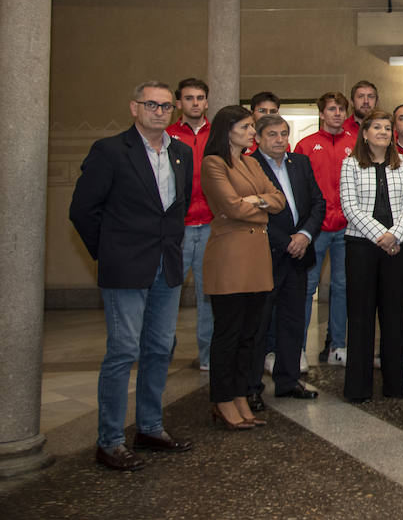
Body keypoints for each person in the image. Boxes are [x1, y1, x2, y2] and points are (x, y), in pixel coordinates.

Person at [70, 81, 194, 471]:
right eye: (151, 105)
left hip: (166, 266)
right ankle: (109, 440)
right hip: (125, 267)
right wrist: (109, 255)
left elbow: (177, 210)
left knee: (160, 348)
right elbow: (83, 211)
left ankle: (150, 428)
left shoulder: (181, 153)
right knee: (123, 351)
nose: (159, 111)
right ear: (134, 108)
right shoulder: (110, 151)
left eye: (165, 106)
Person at [199, 105, 286, 429]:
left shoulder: (251, 162)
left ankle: (239, 395)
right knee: (229, 334)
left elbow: (278, 198)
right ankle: (221, 400)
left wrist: (255, 202)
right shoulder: (213, 163)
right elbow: (231, 206)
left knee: (250, 336)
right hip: (230, 258)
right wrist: (257, 204)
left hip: (256, 258)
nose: (253, 132)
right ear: (228, 129)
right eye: (247, 127)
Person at [339, 109, 403, 403]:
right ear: (365, 133)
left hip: (397, 248)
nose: (384, 132)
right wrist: (380, 236)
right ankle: (358, 388)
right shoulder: (350, 164)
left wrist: (394, 235)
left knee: (394, 316)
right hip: (361, 247)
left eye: (387, 127)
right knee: (360, 317)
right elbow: (350, 207)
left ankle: (395, 385)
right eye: (378, 127)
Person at [250, 114, 324, 403]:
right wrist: (286, 242)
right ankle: (251, 387)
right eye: (272, 134)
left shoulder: (300, 163)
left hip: (299, 254)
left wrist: (304, 235)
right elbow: (252, 213)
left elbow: (318, 203)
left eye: (283, 133)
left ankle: (288, 380)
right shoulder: (250, 166)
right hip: (266, 255)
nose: (280, 140)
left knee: (292, 321)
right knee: (259, 325)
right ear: (258, 138)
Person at [295, 91, 356, 369]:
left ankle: (337, 346)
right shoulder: (305, 145)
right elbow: (297, 187)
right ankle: (296, 349)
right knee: (307, 287)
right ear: (322, 113)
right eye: (332, 109)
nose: (337, 114)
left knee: (342, 287)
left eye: (342, 109)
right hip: (316, 227)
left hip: (347, 227)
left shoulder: (356, 144)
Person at [167, 77, 213, 371]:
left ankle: (209, 357)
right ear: (178, 103)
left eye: (199, 98)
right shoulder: (167, 135)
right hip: (177, 228)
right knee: (167, 294)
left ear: (206, 102)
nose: (195, 103)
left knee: (208, 296)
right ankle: (162, 355)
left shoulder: (218, 135)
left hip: (211, 224)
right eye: (188, 98)